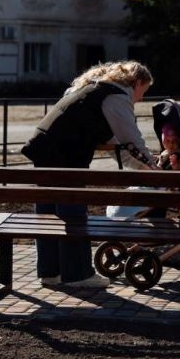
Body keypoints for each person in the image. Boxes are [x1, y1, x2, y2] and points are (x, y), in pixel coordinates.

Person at [21, 60, 158, 287]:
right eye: (143, 92)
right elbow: (131, 140)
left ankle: (50, 272)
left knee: (48, 212)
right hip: (67, 155)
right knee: (72, 212)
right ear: (136, 83)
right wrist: (153, 169)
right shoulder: (117, 96)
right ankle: (77, 274)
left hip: (43, 147)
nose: (140, 99)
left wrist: (144, 166)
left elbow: (116, 145)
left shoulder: (91, 89)